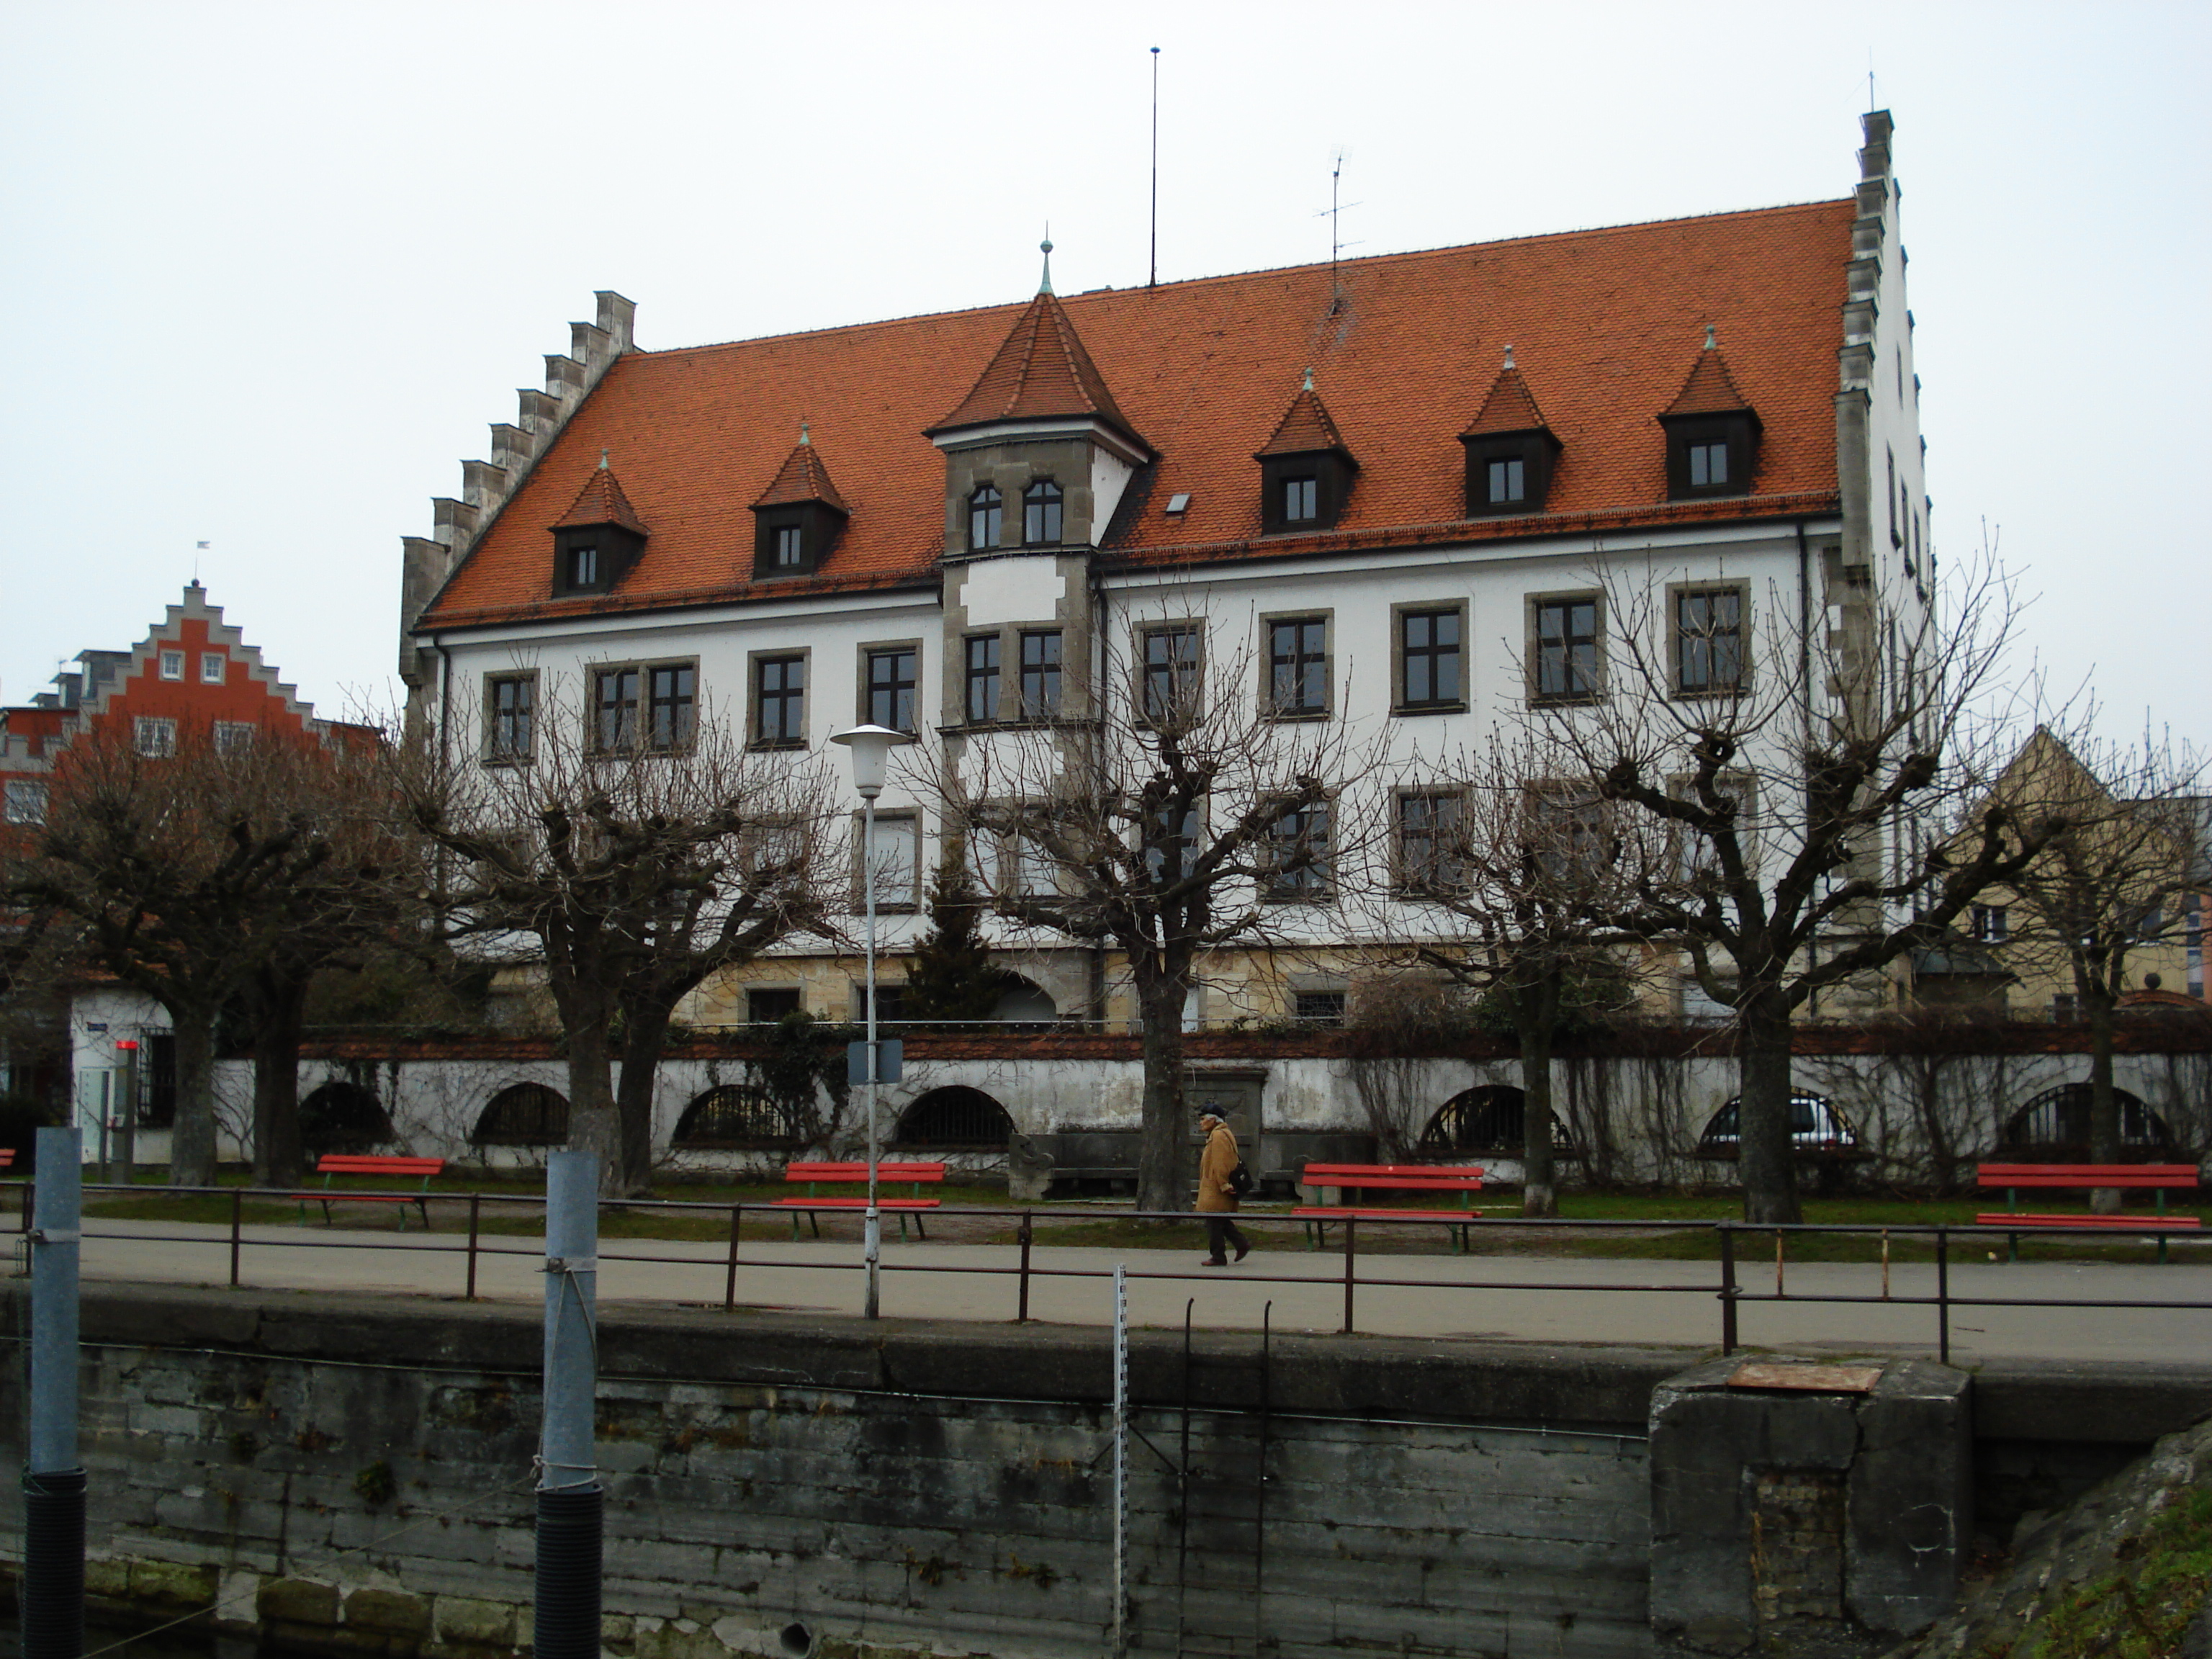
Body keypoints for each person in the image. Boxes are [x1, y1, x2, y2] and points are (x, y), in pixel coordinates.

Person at [1195, 1109, 1249, 1266]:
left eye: (1203, 1118)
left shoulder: (1218, 1136)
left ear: (1213, 1120)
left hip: (1216, 1186)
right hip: (1215, 1184)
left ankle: (1218, 1256)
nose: (1201, 1122)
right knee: (1220, 1221)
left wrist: (1224, 1184)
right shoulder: (1220, 1134)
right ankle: (1242, 1244)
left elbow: (1221, 1163)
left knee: (1214, 1222)